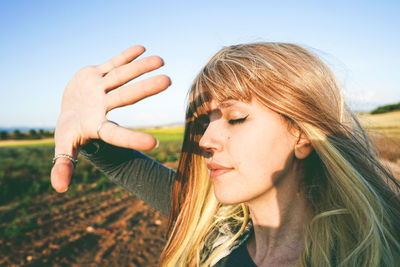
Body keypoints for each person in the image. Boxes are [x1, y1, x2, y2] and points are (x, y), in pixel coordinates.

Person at [51, 43, 400, 266]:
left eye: (236, 117)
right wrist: (82, 127)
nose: (205, 140)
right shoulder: (216, 234)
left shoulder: (371, 255)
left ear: (303, 135)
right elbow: (131, 170)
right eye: (203, 122)